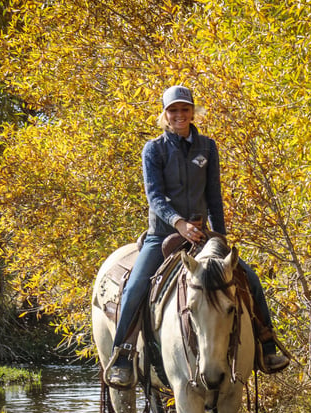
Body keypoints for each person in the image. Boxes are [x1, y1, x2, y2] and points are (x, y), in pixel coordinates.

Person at [106, 85, 290, 386]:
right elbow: (155, 197)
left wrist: (221, 239)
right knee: (136, 285)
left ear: (193, 112)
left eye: (184, 109)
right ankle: (123, 355)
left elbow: (214, 197)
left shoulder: (207, 147)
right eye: (173, 110)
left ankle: (267, 345)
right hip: (163, 233)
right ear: (165, 115)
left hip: (204, 235)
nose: (179, 115)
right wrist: (178, 223)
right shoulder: (153, 149)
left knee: (250, 279)